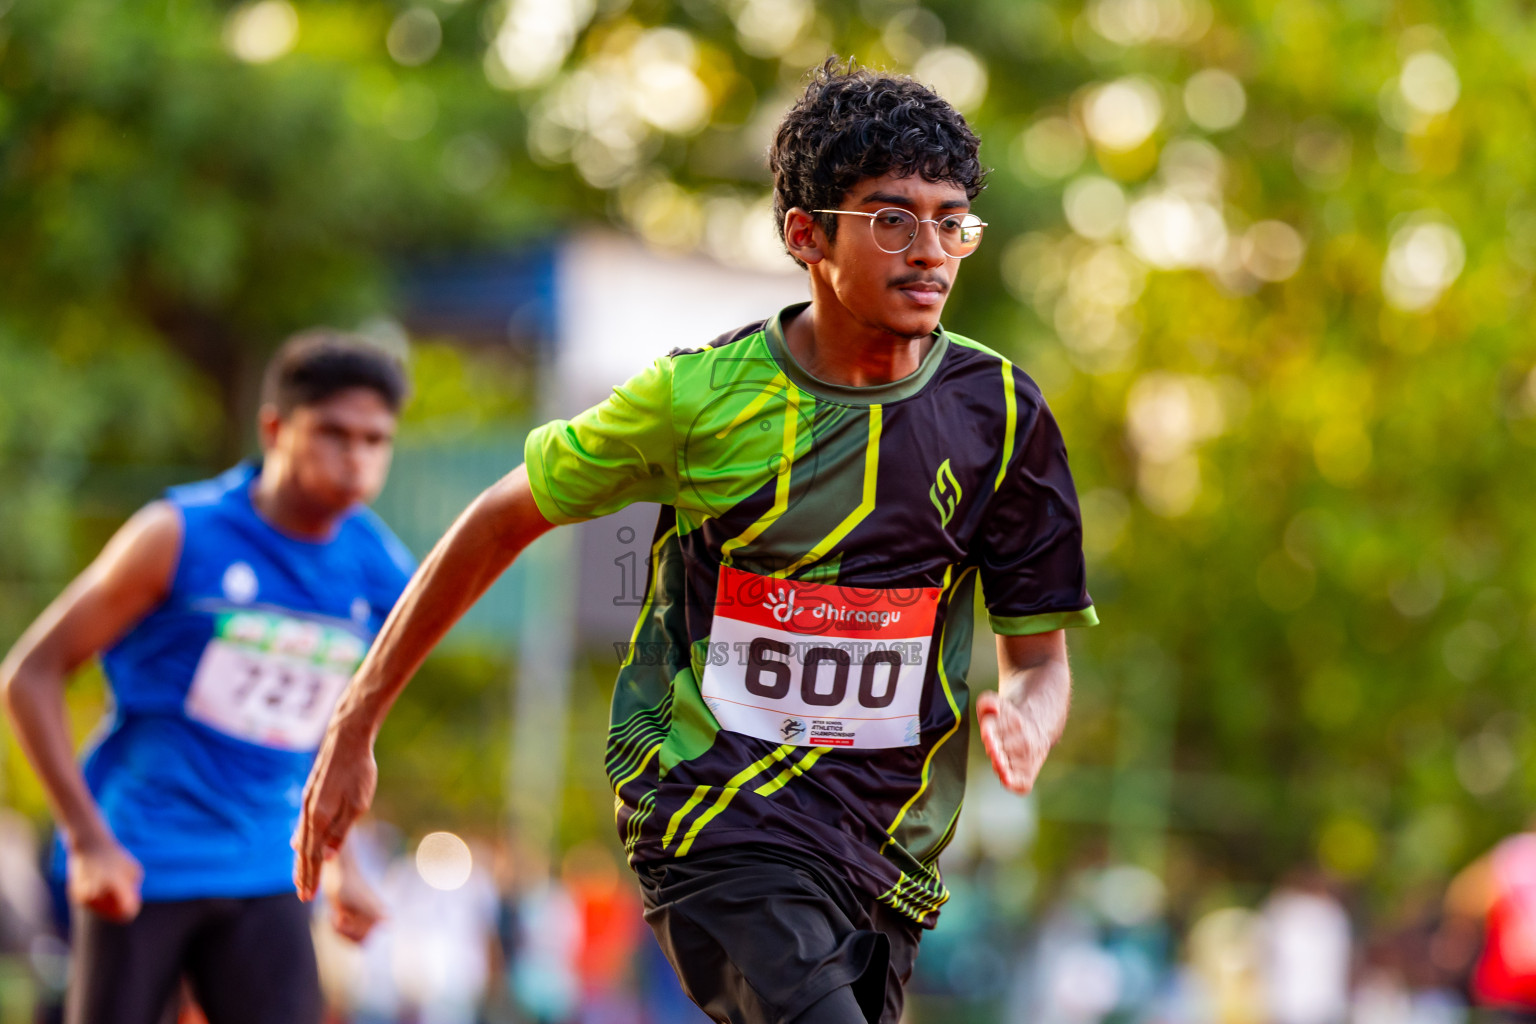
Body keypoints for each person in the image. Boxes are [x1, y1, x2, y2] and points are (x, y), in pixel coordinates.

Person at [295, 60, 1097, 1024]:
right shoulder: (699, 398)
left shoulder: (1001, 415)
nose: (930, 251)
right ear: (805, 233)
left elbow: (1038, 660)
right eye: (892, 219)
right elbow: (500, 518)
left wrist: (1030, 718)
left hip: (885, 854)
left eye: (952, 221)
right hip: (714, 817)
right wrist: (356, 721)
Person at [1, 331, 415, 1024]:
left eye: (376, 441)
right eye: (334, 433)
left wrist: (343, 866)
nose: (356, 458)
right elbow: (29, 676)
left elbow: (339, 735)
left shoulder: (383, 573)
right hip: (143, 860)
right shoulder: (177, 535)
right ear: (275, 428)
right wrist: (89, 841)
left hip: (268, 867)